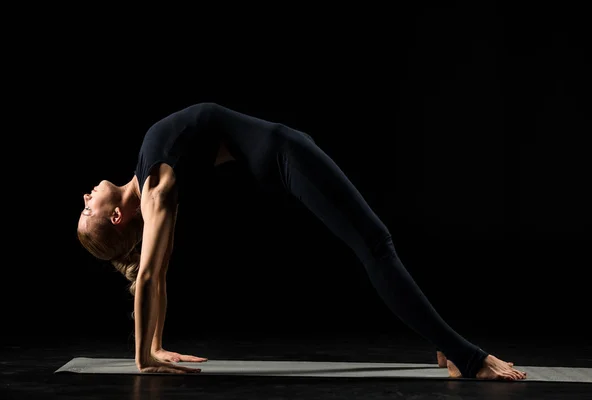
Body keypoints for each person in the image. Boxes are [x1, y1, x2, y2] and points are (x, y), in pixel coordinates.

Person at [77, 102, 526, 380]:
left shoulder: (148, 178)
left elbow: (159, 270)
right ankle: (466, 357)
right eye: (86, 211)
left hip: (286, 154)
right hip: (287, 156)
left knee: (374, 244)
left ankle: (450, 347)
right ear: (116, 217)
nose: (84, 197)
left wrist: (154, 344)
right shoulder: (157, 186)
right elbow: (152, 275)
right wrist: (144, 358)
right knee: (375, 246)